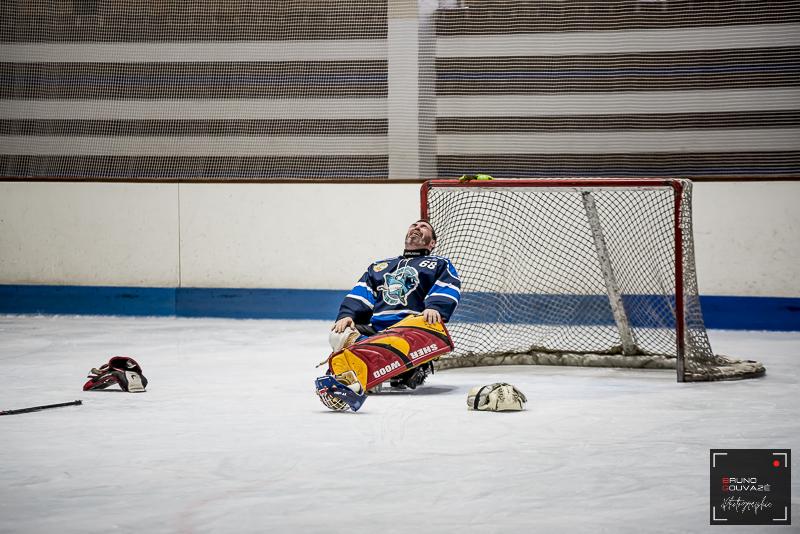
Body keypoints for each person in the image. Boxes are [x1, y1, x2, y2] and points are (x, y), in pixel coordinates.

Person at [330, 219, 461, 389]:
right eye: (414, 225)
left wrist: (435, 307)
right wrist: (347, 315)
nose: (417, 227)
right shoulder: (379, 267)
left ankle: (391, 367)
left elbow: (448, 285)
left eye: (423, 227)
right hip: (378, 331)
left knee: (426, 327)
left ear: (433, 243)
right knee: (339, 333)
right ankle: (373, 367)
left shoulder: (439, 263)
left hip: (411, 330)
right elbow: (361, 293)